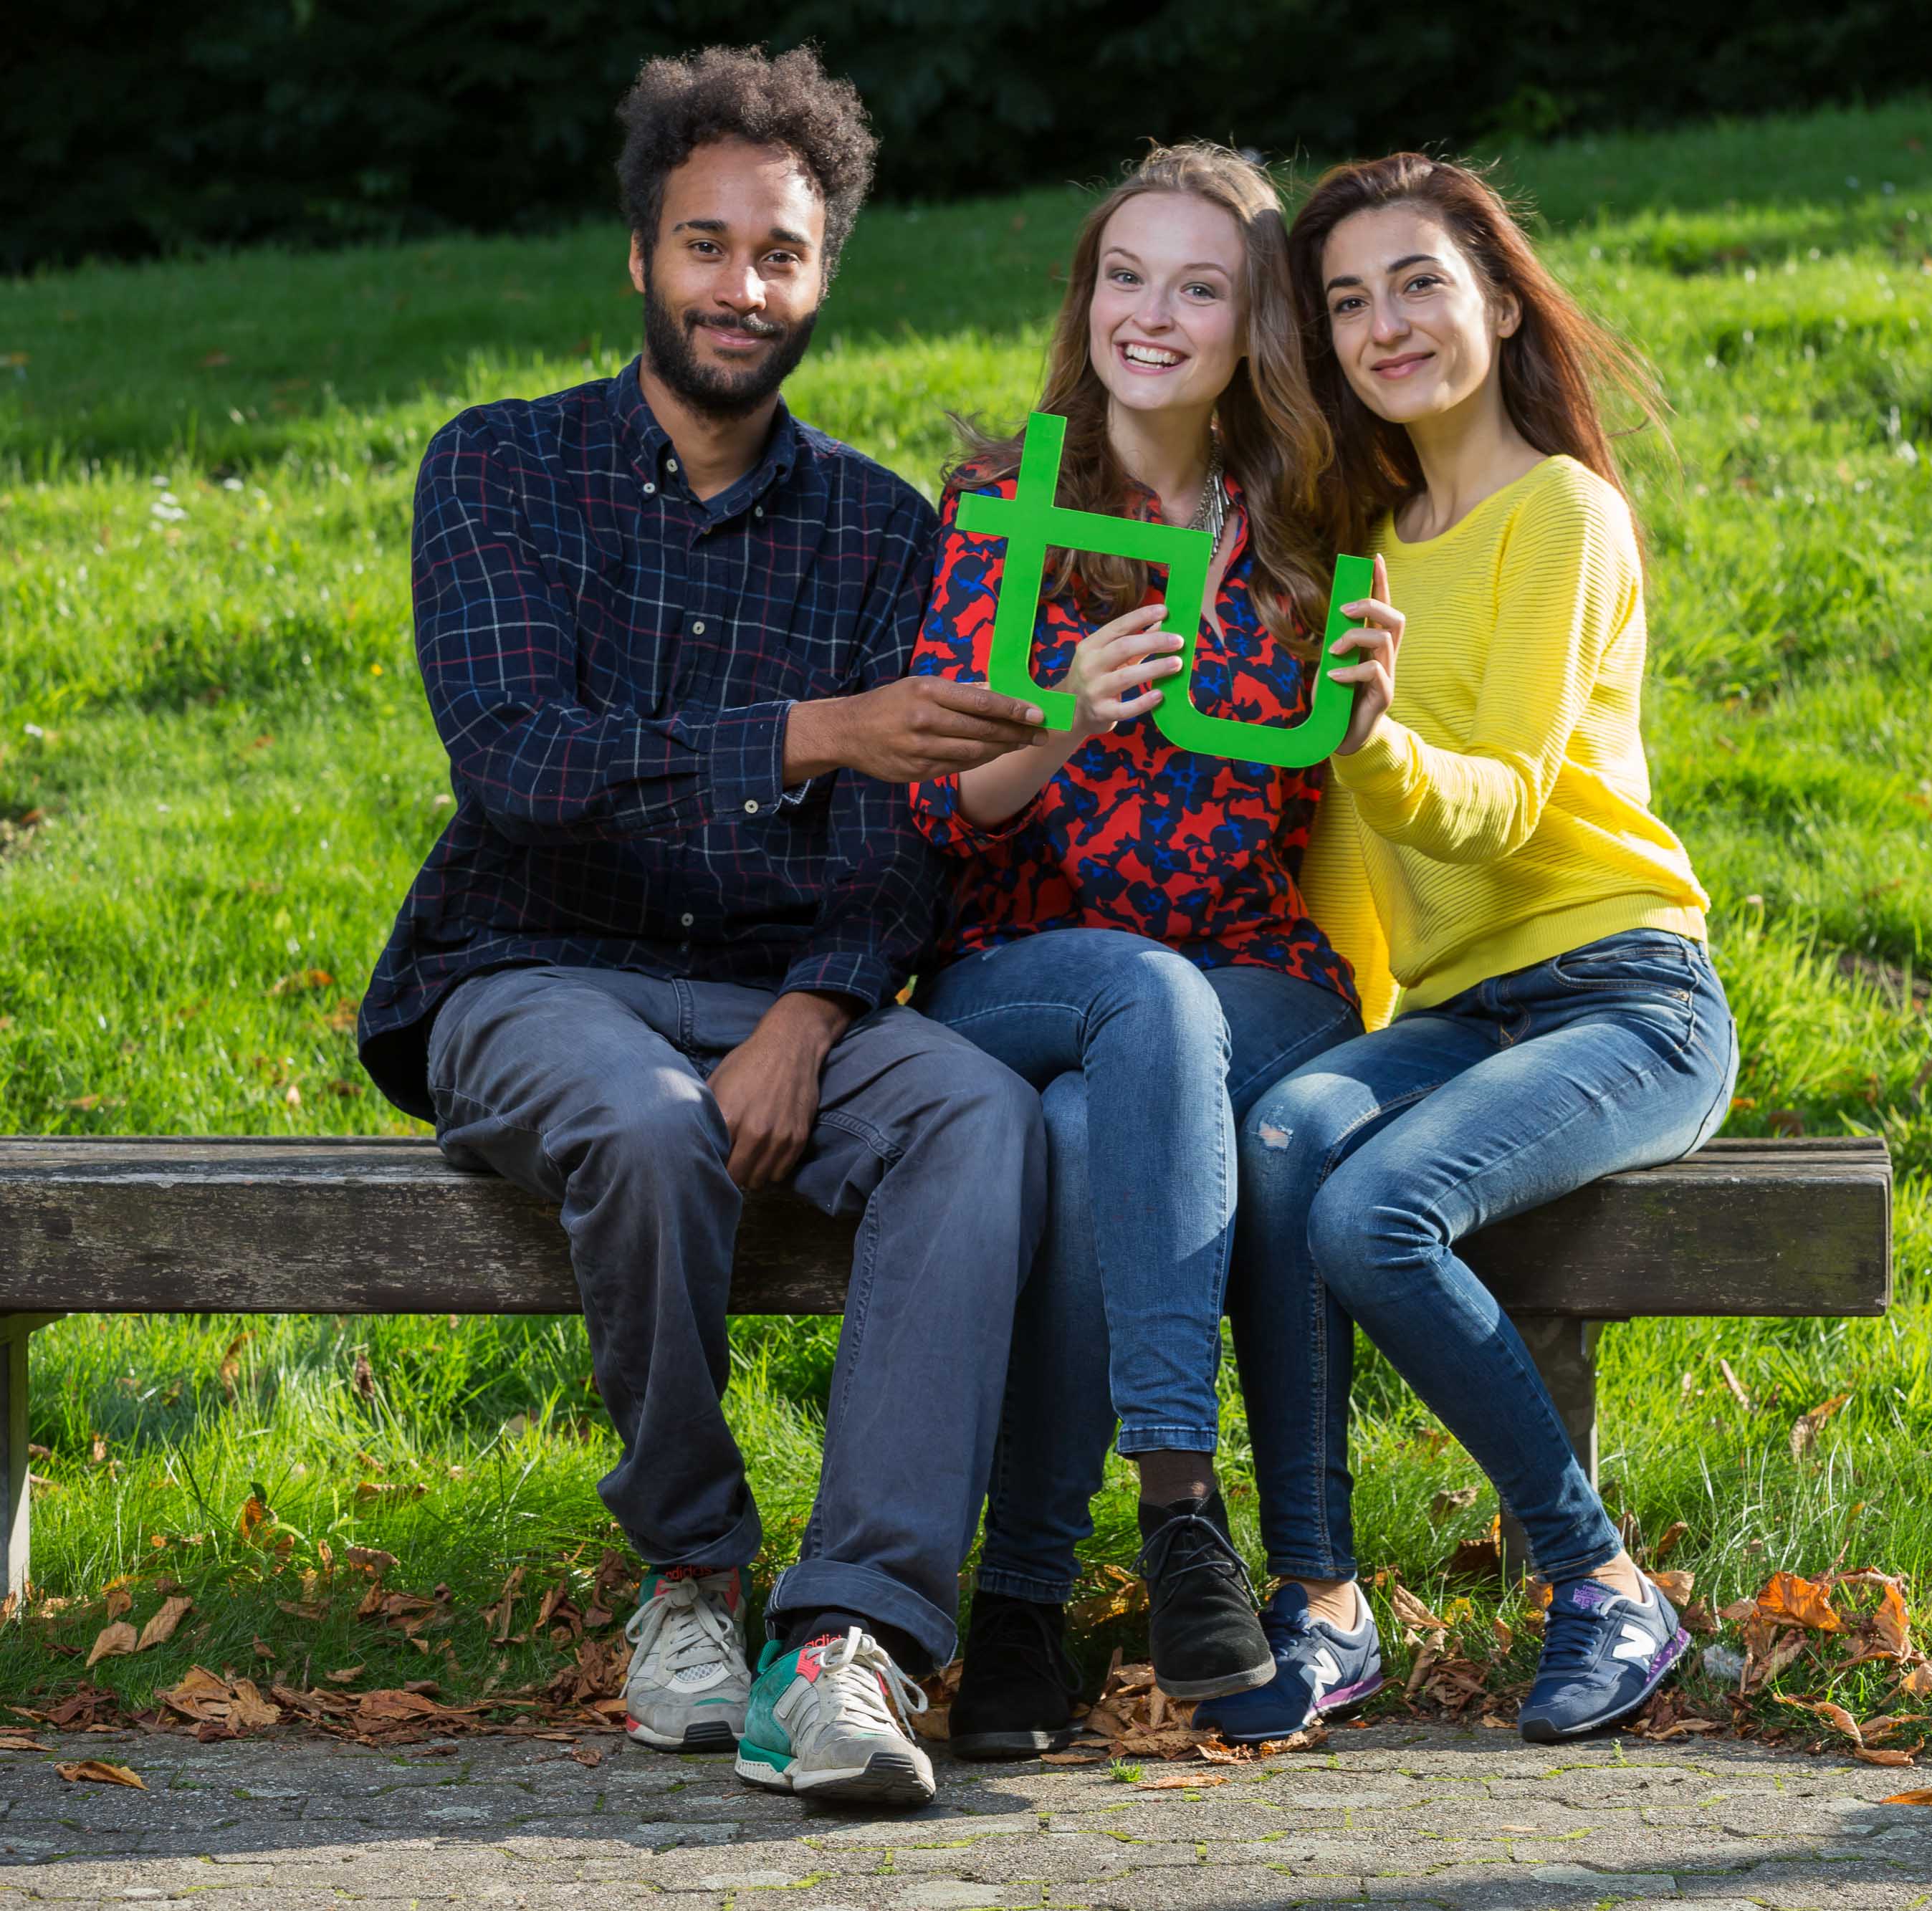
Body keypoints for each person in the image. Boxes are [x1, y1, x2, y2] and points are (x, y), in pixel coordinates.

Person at [353, 47, 1058, 1806]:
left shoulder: (882, 528)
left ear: (820, 278)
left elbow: (907, 845)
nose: (741, 286)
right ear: (641, 261)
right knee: (648, 1128)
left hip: (770, 987)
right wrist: (816, 731)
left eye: (780, 255)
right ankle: (688, 1571)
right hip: (525, 972)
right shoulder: (498, 469)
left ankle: (846, 1641)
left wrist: (817, 1011)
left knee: (979, 1111)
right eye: (706, 244)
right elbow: (520, 765)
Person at [1216, 153, 1735, 1745]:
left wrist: (1363, 738)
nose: (1385, 325)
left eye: (1418, 283)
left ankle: (1602, 1587)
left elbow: (1498, 806)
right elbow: (1360, 856)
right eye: (1347, 300)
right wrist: (1345, 1040)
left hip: (1623, 996)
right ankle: (1317, 1600)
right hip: (1459, 1013)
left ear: (1499, 302)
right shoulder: (1358, 540)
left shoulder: (1562, 513)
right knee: (1292, 1134)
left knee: (1376, 1210)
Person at [899, 145, 1396, 1750]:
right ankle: (1183, 1510)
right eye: (1124, 275)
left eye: (1197, 284)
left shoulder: (1314, 535)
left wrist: (1385, 718)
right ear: (1085, 297)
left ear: (1252, 319)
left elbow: (1345, 796)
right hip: (1030, 967)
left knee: (1085, 1126)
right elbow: (940, 811)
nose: (1149, 313)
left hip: (1255, 976)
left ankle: (1023, 1606)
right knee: (1120, 1024)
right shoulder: (1007, 507)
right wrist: (1056, 715)